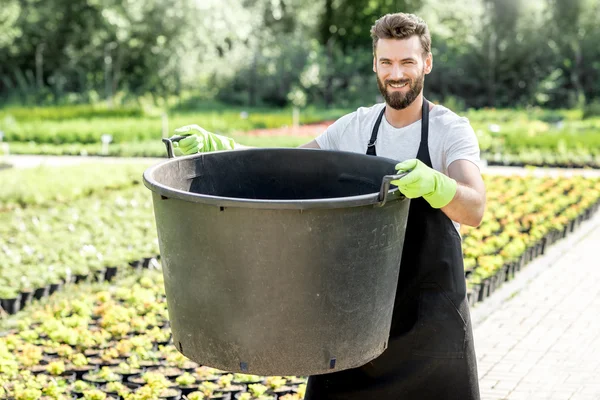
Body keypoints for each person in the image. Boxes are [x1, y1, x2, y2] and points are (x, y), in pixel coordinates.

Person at [173, 12, 485, 400]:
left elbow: (474, 208)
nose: (396, 73)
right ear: (375, 64)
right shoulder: (356, 127)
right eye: (386, 62)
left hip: (428, 330)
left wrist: (436, 184)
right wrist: (227, 152)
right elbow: (287, 170)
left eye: (407, 61)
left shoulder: (449, 130)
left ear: (427, 63)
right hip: (355, 328)